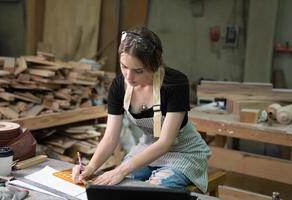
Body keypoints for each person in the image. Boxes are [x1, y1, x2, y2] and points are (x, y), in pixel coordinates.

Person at [72, 27, 211, 192]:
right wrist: (91, 167)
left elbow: (166, 142)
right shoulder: (119, 86)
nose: (128, 77)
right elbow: (110, 138)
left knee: (155, 191)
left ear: (155, 65)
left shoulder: (175, 83)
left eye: (138, 71)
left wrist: (121, 169)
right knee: (121, 188)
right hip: (147, 148)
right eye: (124, 67)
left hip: (183, 152)